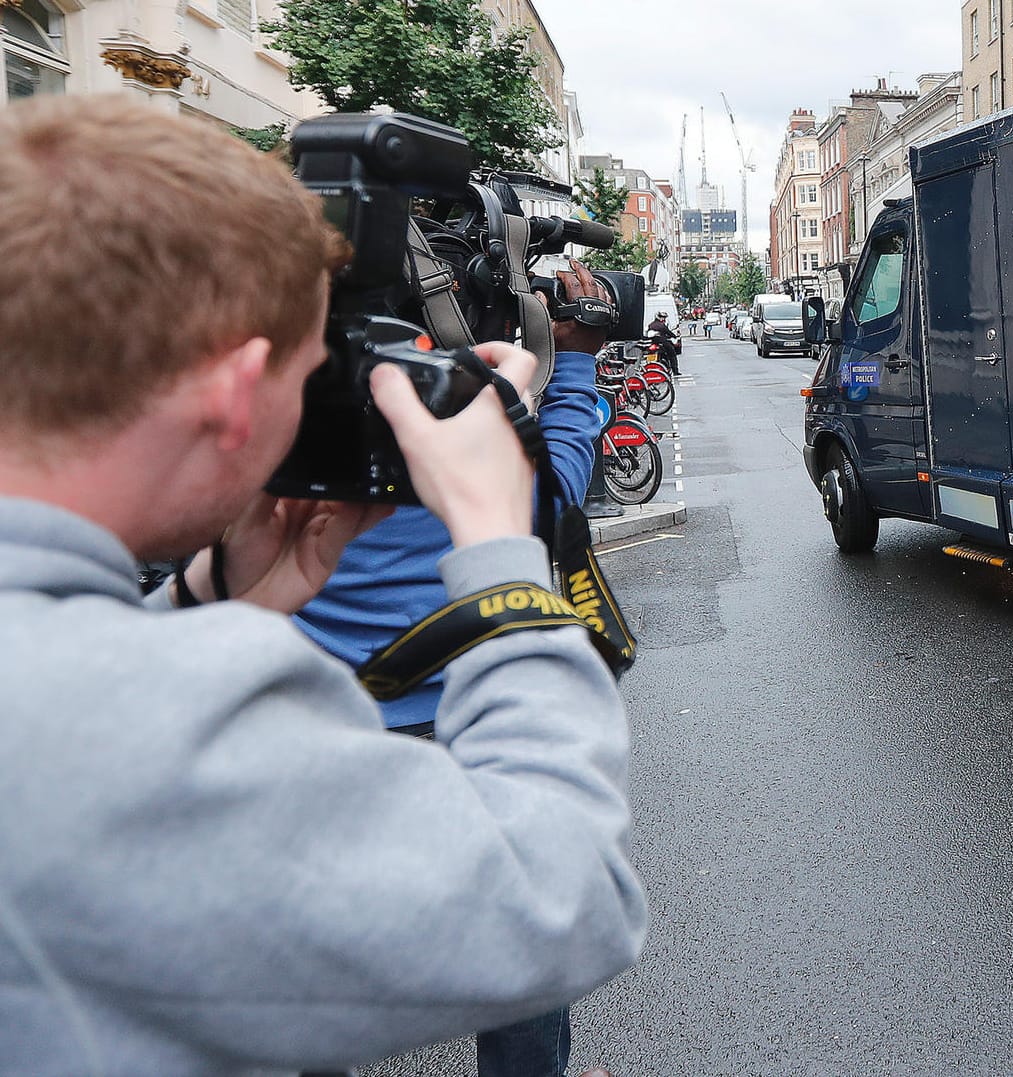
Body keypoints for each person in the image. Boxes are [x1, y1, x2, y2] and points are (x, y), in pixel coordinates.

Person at [0, 95, 644, 1076]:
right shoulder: (127, 730)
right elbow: (563, 903)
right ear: (231, 398)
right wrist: (499, 548)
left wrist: (208, 595)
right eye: (312, 379)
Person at [295, 260, 607, 1077]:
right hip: (470, 722)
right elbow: (561, 490)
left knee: (321, 957)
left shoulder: (290, 420)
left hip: (325, 726)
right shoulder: (470, 435)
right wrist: (570, 356)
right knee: (524, 940)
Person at [647, 310, 681, 375]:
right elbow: (668, 332)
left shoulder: (651, 325)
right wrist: (674, 336)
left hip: (652, 343)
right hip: (663, 342)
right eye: (662, 317)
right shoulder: (661, 325)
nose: (664, 319)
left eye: (664, 317)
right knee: (672, 354)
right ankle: (675, 370)